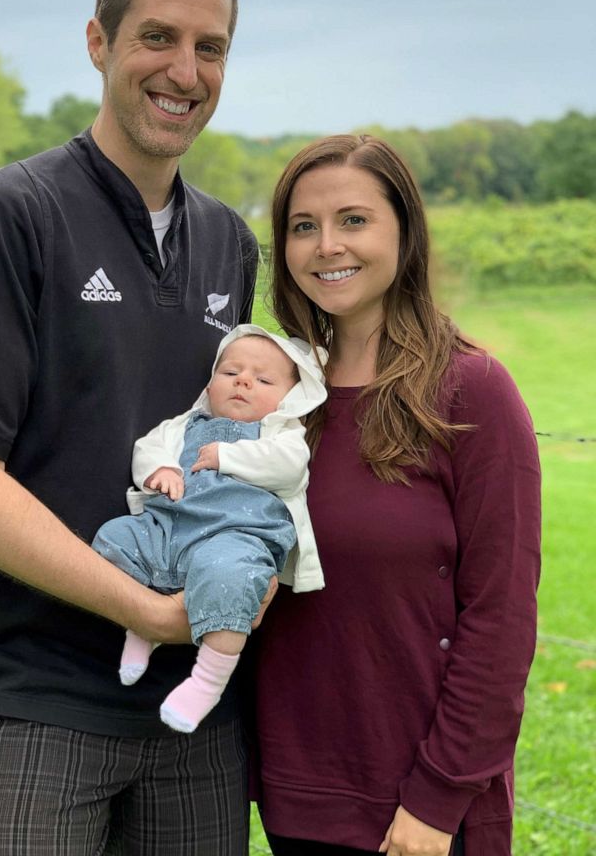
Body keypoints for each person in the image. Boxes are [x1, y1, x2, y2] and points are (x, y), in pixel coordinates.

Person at [0, 0, 262, 855]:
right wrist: (140, 608)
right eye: (157, 38)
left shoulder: (229, 242)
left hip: (197, 715)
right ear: (99, 42)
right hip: (39, 699)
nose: (184, 71)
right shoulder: (9, 215)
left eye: (209, 48)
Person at [253, 135, 541, 856]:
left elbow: (502, 615)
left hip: (419, 814)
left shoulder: (471, 391)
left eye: (354, 220)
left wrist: (438, 801)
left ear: (405, 234)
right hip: (296, 796)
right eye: (303, 226)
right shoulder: (281, 400)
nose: (326, 246)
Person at [92, 324, 327, 734]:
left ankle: (206, 682)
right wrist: (160, 469)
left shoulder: (283, 435)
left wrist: (228, 456)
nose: (244, 381)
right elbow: (147, 447)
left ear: (289, 399)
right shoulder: (184, 425)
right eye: (230, 372)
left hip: (235, 536)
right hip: (168, 529)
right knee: (114, 538)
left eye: (263, 379)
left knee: (231, 577)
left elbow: (289, 470)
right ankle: (140, 630)